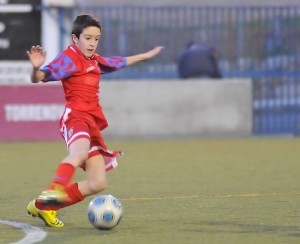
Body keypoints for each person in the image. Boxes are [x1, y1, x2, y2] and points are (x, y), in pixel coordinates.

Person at [26, 14, 164, 228]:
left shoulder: (95, 60)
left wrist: (145, 56)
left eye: (96, 39)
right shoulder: (70, 58)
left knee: (97, 183)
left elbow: (117, 62)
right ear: (75, 38)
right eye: (88, 38)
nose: (92, 43)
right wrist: (36, 68)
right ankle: (53, 190)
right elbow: (40, 78)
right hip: (75, 118)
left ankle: (45, 206)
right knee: (78, 153)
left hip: (91, 124)